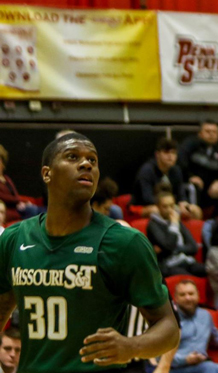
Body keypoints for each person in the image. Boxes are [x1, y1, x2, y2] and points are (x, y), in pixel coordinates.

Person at [0, 132, 179, 371]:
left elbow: (169, 327)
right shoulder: (14, 238)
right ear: (47, 173)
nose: (86, 164)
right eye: (73, 157)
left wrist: (131, 346)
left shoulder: (124, 242)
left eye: (92, 161)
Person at [172, 280, 218, 373]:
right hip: (176, 369)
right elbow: (159, 357)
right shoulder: (169, 320)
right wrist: (185, 359)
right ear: (176, 298)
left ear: (198, 295)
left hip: (202, 366)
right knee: (208, 368)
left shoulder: (205, 315)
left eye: (191, 294)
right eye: (182, 295)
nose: (188, 298)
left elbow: (216, 337)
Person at [178, 120, 218, 216]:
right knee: (194, 188)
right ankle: (196, 219)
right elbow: (180, 163)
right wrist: (190, 176)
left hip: (211, 189)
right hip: (194, 185)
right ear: (200, 134)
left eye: (214, 132)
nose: (211, 134)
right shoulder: (190, 144)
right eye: (207, 131)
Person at [133, 137, 202, 220]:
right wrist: (170, 205)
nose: (170, 156)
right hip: (145, 206)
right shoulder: (147, 171)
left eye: (173, 153)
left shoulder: (176, 171)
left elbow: (181, 194)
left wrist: (183, 204)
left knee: (195, 210)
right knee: (156, 210)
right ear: (157, 154)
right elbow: (147, 198)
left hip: (170, 205)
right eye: (166, 152)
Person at [147, 191, 206, 277]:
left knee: (208, 270)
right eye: (165, 206)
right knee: (188, 277)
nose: (170, 210)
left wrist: (176, 250)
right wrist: (174, 224)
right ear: (158, 207)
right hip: (168, 266)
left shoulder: (177, 221)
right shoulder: (153, 225)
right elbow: (169, 245)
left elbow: (193, 247)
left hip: (186, 260)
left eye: (172, 206)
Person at [0, 144, 36, 223]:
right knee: (33, 211)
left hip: (16, 207)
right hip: (7, 209)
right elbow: (4, 197)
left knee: (38, 210)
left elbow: (15, 194)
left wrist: (23, 202)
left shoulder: (6, 178)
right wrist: (18, 201)